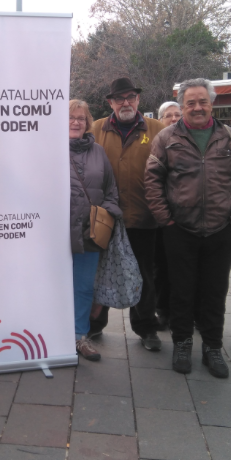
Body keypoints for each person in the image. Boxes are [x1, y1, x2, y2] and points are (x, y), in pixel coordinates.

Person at [145, 78, 231, 378]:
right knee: (181, 289)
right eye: (189, 102)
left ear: (211, 103)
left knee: (215, 290)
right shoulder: (166, 138)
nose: (196, 107)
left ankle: (212, 347)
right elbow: (152, 180)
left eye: (201, 101)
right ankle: (182, 343)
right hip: (179, 228)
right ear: (182, 106)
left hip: (221, 227)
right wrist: (165, 218)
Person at [89, 77, 167, 351]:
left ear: (138, 100)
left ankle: (146, 328)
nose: (126, 103)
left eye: (130, 97)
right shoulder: (96, 128)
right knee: (98, 272)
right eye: (119, 98)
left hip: (143, 217)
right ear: (110, 103)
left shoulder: (158, 129)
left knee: (144, 274)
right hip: (102, 218)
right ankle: (93, 326)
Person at [69, 100, 122, 361]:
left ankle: (80, 336)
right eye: (70, 117)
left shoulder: (98, 151)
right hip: (56, 233)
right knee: (53, 284)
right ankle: (51, 334)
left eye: (81, 117)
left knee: (83, 287)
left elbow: (111, 189)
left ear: (88, 122)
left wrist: (108, 213)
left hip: (90, 232)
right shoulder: (46, 149)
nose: (76, 122)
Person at [153, 101, 183, 328]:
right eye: (168, 116)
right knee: (162, 267)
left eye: (177, 114)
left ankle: (187, 312)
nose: (173, 118)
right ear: (160, 120)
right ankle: (163, 309)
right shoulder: (158, 141)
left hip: (189, 215)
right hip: (163, 215)